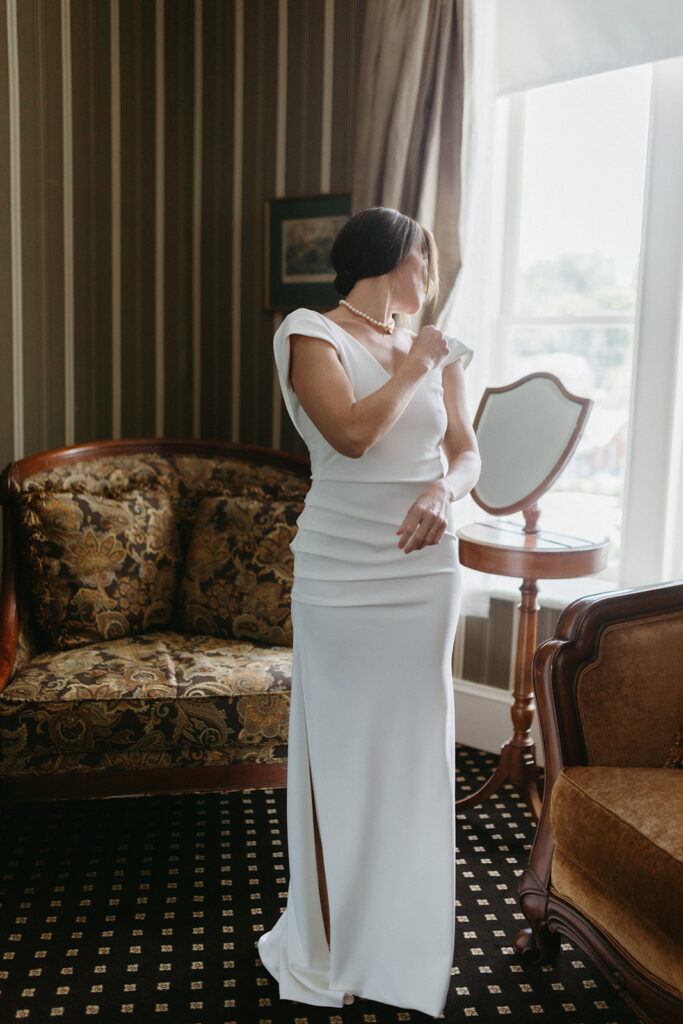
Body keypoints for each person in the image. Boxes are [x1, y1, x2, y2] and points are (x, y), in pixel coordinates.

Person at [258, 206, 481, 1017]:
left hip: (424, 570)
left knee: (414, 751)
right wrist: (415, 365)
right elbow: (349, 435)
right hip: (341, 572)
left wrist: (443, 492)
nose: (434, 277)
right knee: (341, 753)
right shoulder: (309, 330)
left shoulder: (439, 347)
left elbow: (465, 452)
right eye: (428, 259)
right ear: (398, 258)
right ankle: (325, 934)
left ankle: (398, 936)